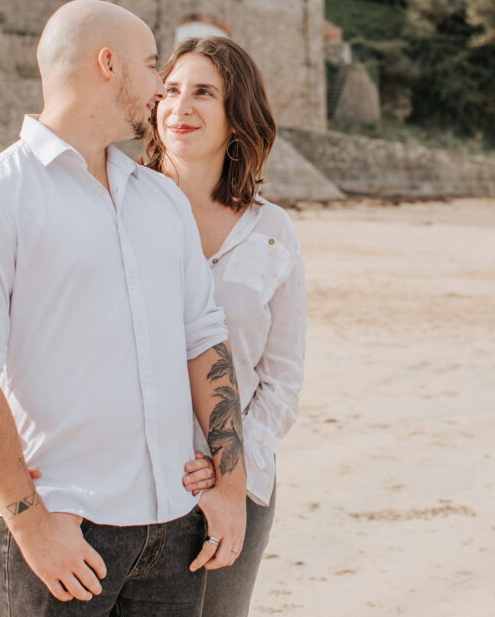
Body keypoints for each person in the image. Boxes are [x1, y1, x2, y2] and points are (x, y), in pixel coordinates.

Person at [0, 0, 247, 617]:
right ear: (108, 64)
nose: (161, 88)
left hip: (177, 529)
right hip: (65, 534)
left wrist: (230, 488)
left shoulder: (161, 200)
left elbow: (204, 339)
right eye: (153, 67)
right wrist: (28, 524)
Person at [142, 36, 307, 617]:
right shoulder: (119, 208)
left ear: (238, 117)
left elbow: (282, 379)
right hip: (132, 476)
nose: (180, 107)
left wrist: (229, 469)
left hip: (241, 483)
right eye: (171, 90)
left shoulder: (272, 231)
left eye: (204, 93)